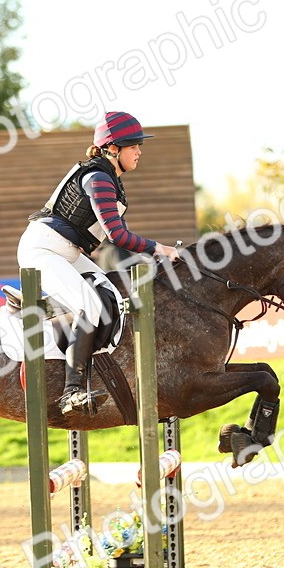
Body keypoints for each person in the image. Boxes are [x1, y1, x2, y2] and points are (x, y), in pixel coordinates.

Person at [18, 110, 180, 416]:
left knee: (112, 299)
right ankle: (71, 392)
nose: (139, 151)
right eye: (134, 146)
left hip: (67, 252)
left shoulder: (110, 178)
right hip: (42, 250)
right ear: (113, 149)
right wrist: (159, 249)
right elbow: (117, 235)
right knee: (89, 306)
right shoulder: (98, 178)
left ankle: (76, 346)